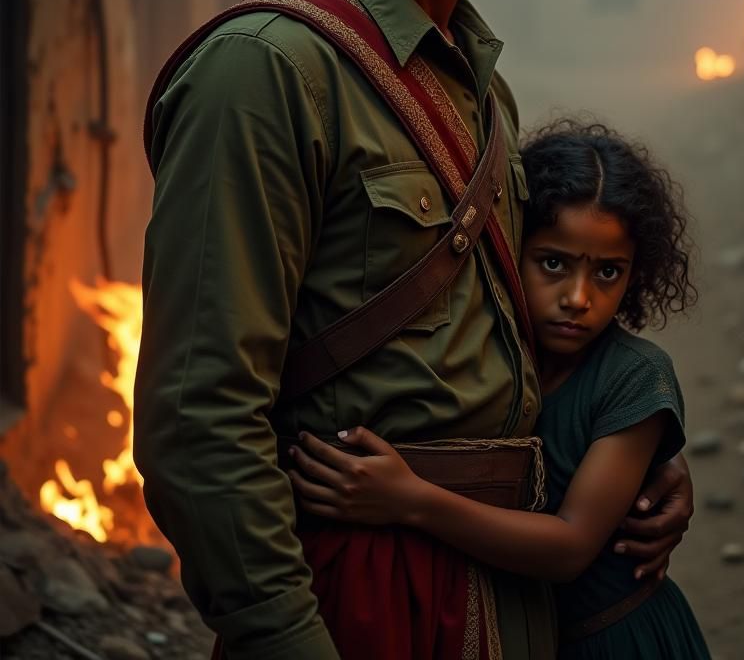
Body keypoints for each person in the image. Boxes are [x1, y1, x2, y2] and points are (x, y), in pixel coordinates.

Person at [135, 0, 695, 660]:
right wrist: (285, 639)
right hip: (364, 587)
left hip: (507, 591)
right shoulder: (269, 68)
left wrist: (634, 472)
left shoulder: (479, 81)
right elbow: (201, 416)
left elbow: (506, 347)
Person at [290, 121, 711, 659]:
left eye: (608, 272)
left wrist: (411, 500)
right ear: (510, 247)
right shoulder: (491, 355)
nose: (578, 297)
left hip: (615, 640)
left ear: (638, 273)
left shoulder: (634, 375)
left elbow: (569, 547)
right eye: (553, 263)